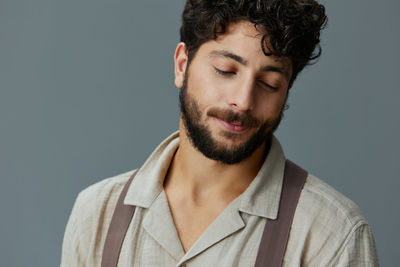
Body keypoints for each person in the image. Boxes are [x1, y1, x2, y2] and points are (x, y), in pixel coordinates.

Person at [61, 0, 379, 266]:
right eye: (226, 71)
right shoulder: (96, 214)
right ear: (182, 65)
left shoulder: (333, 234)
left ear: (288, 90)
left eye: (270, 84)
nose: (242, 101)